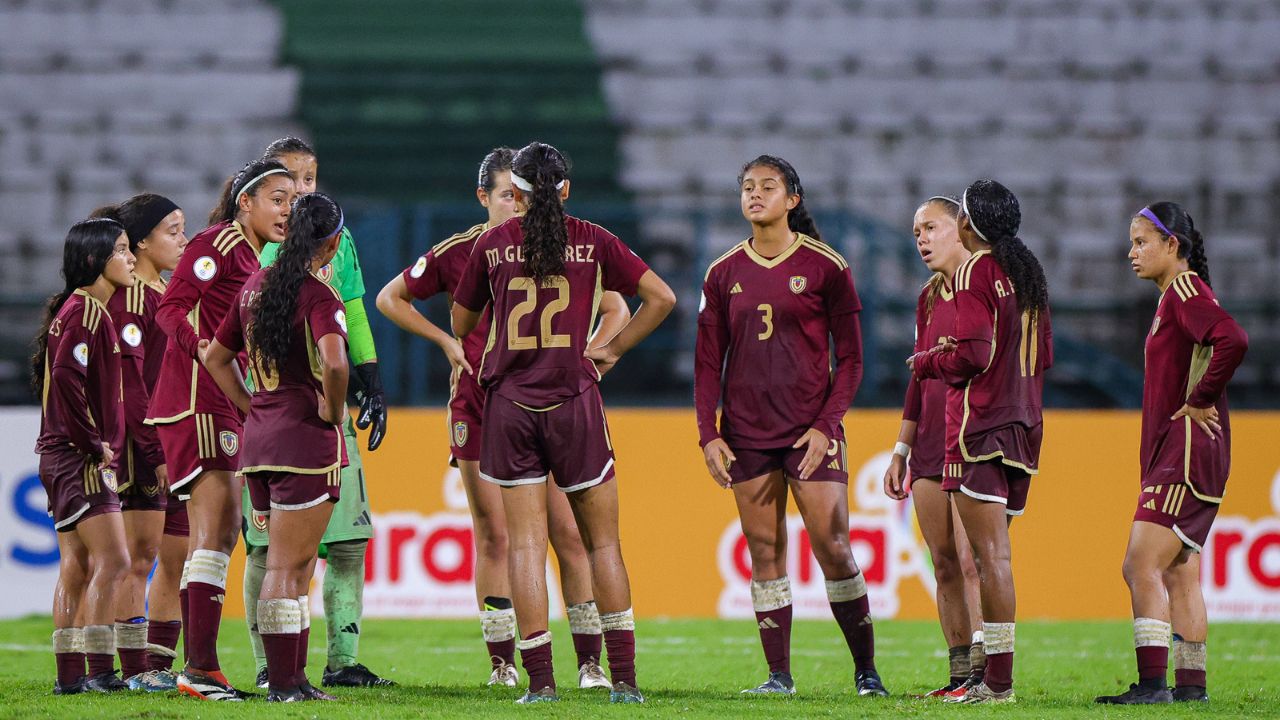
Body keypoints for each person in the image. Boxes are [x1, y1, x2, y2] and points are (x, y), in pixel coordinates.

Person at [378, 147, 628, 689]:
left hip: (544, 397)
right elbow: (390, 297)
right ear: (483, 198)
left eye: (521, 194)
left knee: (567, 532)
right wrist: (446, 342)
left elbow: (616, 306)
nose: (517, 205)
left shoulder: (559, 242)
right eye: (506, 196)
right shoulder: (466, 250)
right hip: (479, 403)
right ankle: (503, 664)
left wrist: (596, 355)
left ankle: (588, 663)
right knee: (495, 534)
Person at [451, 141, 676, 704]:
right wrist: (613, 350)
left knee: (525, 546)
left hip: (511, 405)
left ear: (517, 192)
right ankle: (622, 680)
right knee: (602, 544)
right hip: (574, 398)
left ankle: (542, 685)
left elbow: (461, 320)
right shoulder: (594, 240)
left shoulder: (494, 243)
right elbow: (662, 298)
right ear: (565, 190)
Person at [695, 155, 887, 698]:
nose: (755, 195)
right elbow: (707, 363)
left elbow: (850, 360)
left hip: (810, 433)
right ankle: (779, 676)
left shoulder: (828, 267)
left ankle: (866, 672)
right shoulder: (722, 273)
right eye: (747, 188)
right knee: (765, 553)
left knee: (833, 546)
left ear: (793, 199)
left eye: (768, 187)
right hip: (745, 436)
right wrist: (709, 435)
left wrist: (828, 425)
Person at [241, 137, 393, 688]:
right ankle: (272, 670)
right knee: (273, 555)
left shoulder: (338, 241)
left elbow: (354, 308)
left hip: (284, 425)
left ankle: (340, 661)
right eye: (289, 184)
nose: (301, 193)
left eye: (309, 180)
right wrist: (332, 401)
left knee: (347, 543)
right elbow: (324, 349)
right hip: (303, 423)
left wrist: (371, 380)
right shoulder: (263, 249)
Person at [147, 157, 296, 701]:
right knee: (214, 533)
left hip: (221, 401)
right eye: (277, 198)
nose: (287, 208)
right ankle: (199, 670)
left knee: (215, 535)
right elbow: (172, 308)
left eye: (292, 200)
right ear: (246, 203)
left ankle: (200, 666)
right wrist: (206, 354)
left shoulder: (253, 253)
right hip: (198, 401)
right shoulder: (218, 245)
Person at [1095, 203, 1247, 705]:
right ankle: (1190, 688)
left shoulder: (1183, 291)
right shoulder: (1175, 298)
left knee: (1140, 565)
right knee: (1180, 570)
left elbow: (1233, 338)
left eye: (1141, 242)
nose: (1131, 252)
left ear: (1172, 246)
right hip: (1186, 453)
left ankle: (1153, 686)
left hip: (1184, 454)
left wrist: (1200, 399)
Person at [203, 192, 350, 703]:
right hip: (303, 442)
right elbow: (334, 364)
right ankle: (287, 684)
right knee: (292, 567)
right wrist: (332, 410)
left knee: (282, 564)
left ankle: (291, 679)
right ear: (331, 244)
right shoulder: (318, 296)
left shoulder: (253, 287)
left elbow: (216, 357)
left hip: (260, 441)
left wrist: (251, 407)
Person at [910, 178, 1052, 704]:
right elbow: (1043, 358)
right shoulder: (1025, 277)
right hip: (1024, 426)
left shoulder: (974, 271)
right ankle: (984, 677)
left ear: (967, 224)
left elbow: (971, 355)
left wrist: (928, 360)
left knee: (988, 559)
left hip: (979, 429)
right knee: (991, 558)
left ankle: (996, 683)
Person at [883, 195, 985, 697]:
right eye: (916, 231)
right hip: (926, 442)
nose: (921, 238)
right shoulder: (927, 298)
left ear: (961, 229)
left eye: (931, 227)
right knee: (942, 560)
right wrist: (900, 449)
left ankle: (989, 673)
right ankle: (958, 674)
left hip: (970, 437)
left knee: (973, 560)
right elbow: (917, 380)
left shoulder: (987, 289)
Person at [34, 218, 135, 694]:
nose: (131, 257)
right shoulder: (88, 312)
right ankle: (99, 672)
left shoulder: (74, 310)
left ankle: (70, 678)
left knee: (75, 566)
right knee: (113, 560)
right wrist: (94, 442)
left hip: (58, 455)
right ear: (95, 260)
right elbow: (68, 379)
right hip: (79, 458)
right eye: (120, 249)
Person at [92, 195, 188, 691]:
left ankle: (159, 667)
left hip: (173, 446)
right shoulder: (131, 300)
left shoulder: (165, 295)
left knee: (176, 557)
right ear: (143, 242)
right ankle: (132, 672)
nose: (184, 239)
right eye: (173, 230)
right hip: (143, 448)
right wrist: (155, 453)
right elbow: (132, 391)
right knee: (139, 559)